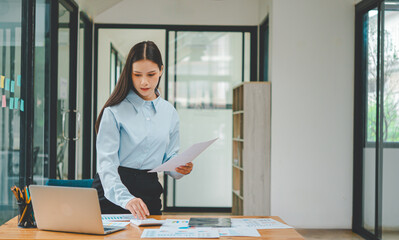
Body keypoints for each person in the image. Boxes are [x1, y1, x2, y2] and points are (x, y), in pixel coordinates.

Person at [92, 41, 193, 220]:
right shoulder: (114, 111)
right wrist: (126, 199)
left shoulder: (169, 112)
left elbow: (169, 158)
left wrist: (179, 168)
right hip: (113, 194)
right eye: (137, 75)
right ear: (129, 73)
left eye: (151, 74)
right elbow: (106, 165)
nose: (144, 82)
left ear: (161, 70)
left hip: (150, 192)